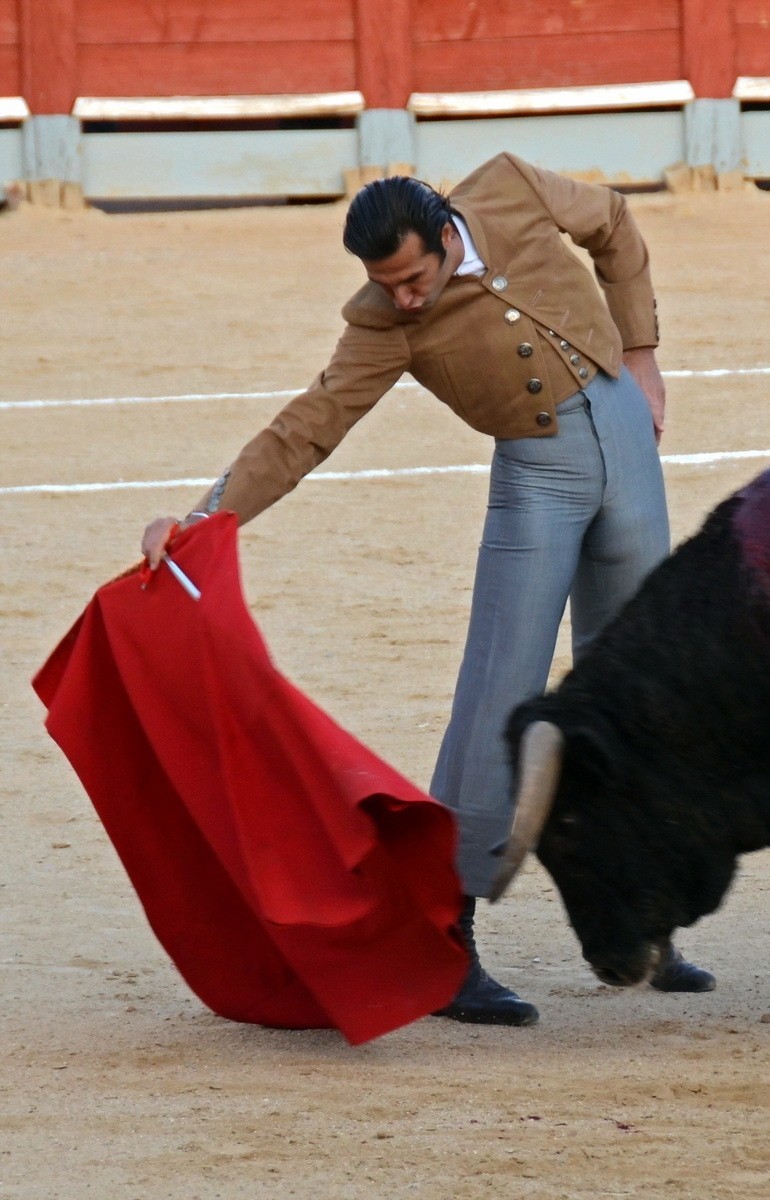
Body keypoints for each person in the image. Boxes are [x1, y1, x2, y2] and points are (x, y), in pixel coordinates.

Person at [139, 154, 715, 1026]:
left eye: (413, 278)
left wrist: (640, 351)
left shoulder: (512, 188)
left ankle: (641, 917)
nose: (404, 297)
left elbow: (613, 224)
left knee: (637, 686)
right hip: (537, 482)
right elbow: (309, 425)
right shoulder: (384, 323)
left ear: (448, 234)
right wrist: (203, 517)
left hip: (628, 446)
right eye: (387, 284)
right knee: (498, 694)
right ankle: (448, 938)